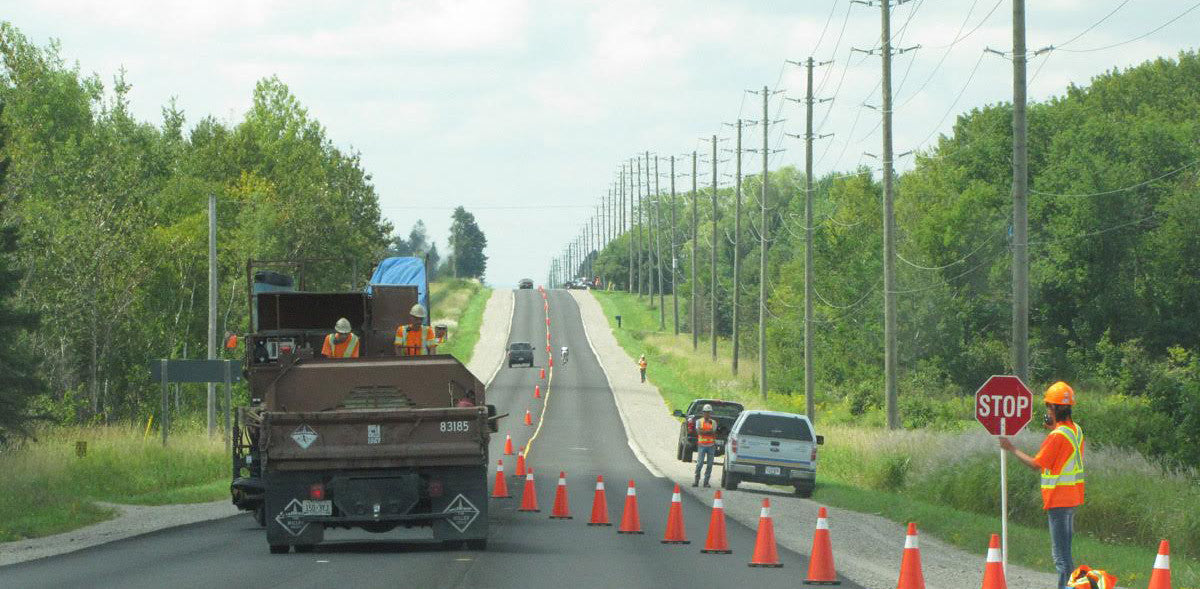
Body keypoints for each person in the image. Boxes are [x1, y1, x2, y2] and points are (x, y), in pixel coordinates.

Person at [999, 381, 1085, 589]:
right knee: (1065, 552)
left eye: (1048, 406)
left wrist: (1011, 448)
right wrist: (1054, 426)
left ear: (1054, 408)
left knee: (1061, 557)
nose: (1047, 410)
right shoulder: (1076, 431)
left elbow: (1036, 464)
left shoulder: (1056, 437)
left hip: (1058, 501)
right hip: (1071, 498)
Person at [693, 404, 717, 488]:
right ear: (703, 413)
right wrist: (707, 431)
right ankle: (696, 481)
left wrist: (703, 431)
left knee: (709, 465)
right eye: (706, 412)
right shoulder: (699, 421)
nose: (707, 414)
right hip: (702, 445)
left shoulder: (713, 422)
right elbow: (698, 432)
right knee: (699, 463)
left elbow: (713, 432)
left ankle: (706, 482)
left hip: (711, 446)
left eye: (709, 412)